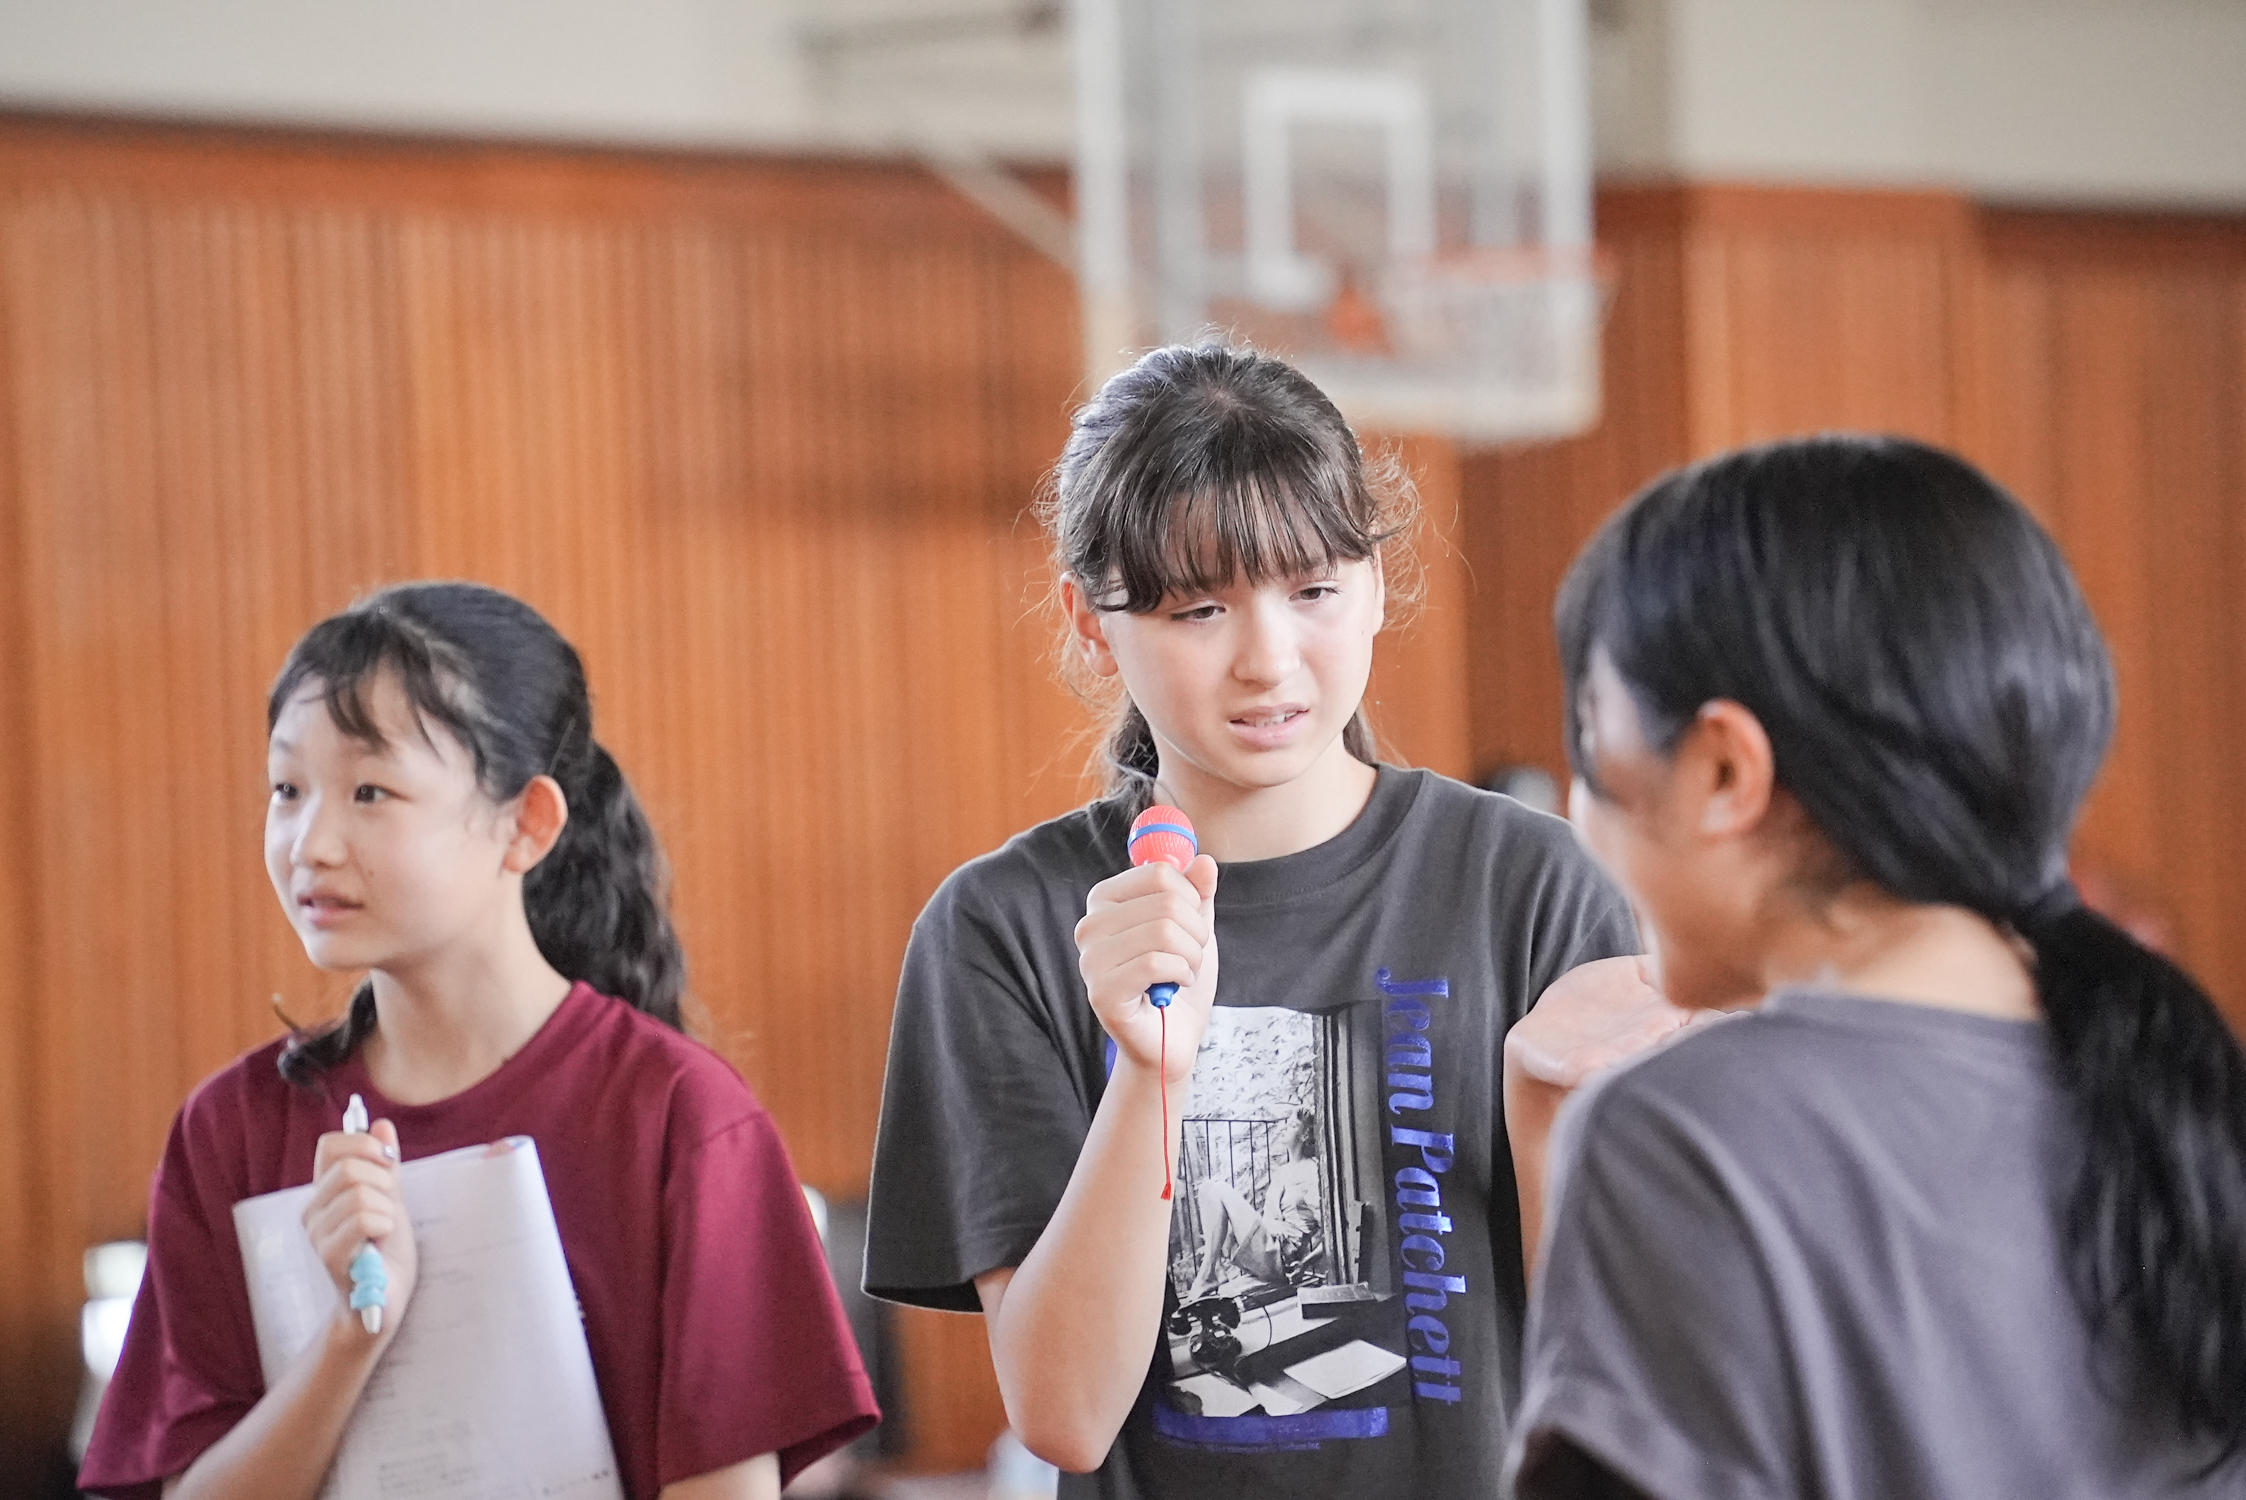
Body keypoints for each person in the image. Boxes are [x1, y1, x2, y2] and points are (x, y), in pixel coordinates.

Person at [863, 342, 1638, 1499]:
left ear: (1376, 582)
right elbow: (1065, 1417)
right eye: (1198, 608)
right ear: (1089, 620)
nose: (1268, 660)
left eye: (1314, 590)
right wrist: (1147, 1071)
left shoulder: (1530, 884)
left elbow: (1628, 1363)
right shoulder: (1003, 927)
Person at [1508, 435, 2246, 1498]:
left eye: (1589, 737)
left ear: (1722, 769)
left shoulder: (1681, 1129)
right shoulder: (2180, 1093)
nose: (1577, 813)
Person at [79, 582, 878, 1500]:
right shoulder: (232, 1129)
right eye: (287, 789)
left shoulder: (679, 1117)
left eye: (369, 790)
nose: (310, 841)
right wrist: (353, 1333)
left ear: (525, 823)